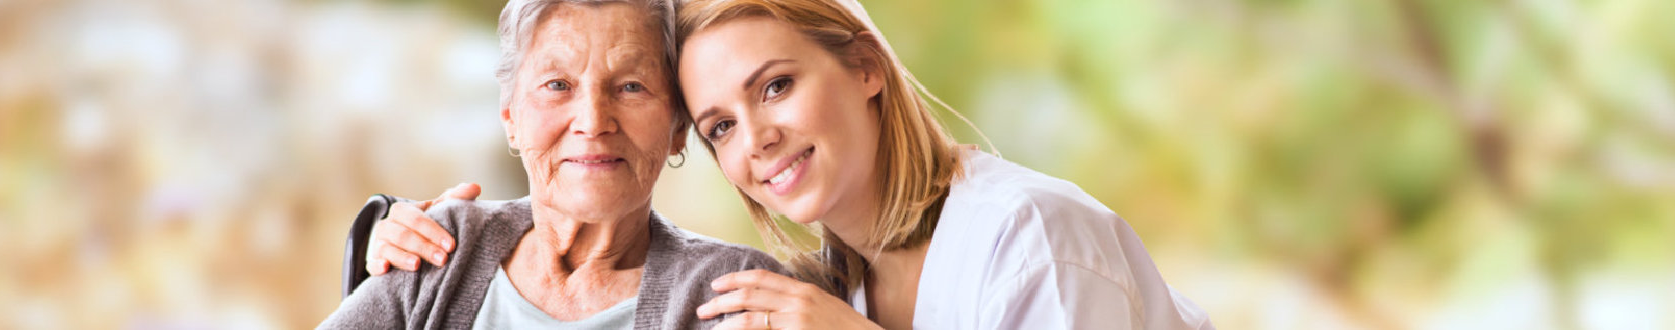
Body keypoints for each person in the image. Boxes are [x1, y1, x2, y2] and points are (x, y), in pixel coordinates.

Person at [369, 0, 1214, 328]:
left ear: (867, 66)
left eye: (776, 86)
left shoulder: (1032, 238)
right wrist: (385, 246)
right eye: (721, 124)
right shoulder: (823, 289)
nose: (756, 140)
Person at [315, 0, 782, 329]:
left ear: (678, 127)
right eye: (558, 85)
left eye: (631, 86)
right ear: (510, 118)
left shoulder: (733, 293)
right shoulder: (445, 245)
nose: (594, 122)